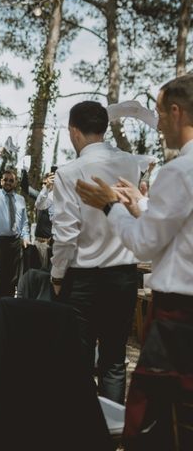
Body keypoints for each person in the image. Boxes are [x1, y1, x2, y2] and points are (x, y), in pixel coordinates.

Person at [75, 75, 193, 445]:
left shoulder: (178, 171)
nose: (158, 125)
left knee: (154, 418)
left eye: (159, 114)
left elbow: (145, 244)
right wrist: (139, 203)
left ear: (176, 112)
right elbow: (179, 224)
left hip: (178, 313)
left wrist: (110, 206)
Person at [51, 100, 143, 405]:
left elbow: (66, 233)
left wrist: (57, 276)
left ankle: (82, 432)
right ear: (103, 128)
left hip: (83, 280)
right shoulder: (131, 163)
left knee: (78, 361)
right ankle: (110, 431)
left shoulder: (68, 172)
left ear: (74, 132)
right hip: (124, 275)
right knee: (115, 359)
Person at [0, 148, 30, 304]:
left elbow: (24, 222)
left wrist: (26, 237)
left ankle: (9, 306)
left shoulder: (20, 200)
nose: (8, 182)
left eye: (11, 180)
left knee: (13, 277)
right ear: (1, 181)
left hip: (15, 242)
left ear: (15, 183)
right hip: (0, 242)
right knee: (0, 275)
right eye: (5, 180)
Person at [21, 168, 55, 270]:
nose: (45, 185)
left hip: (51, 245)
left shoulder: (59, 198)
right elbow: (24, 187)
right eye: (44, 183)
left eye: (48, 183)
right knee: (35, 272)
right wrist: (24, 169)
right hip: (37, 244)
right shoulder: (39, 196)